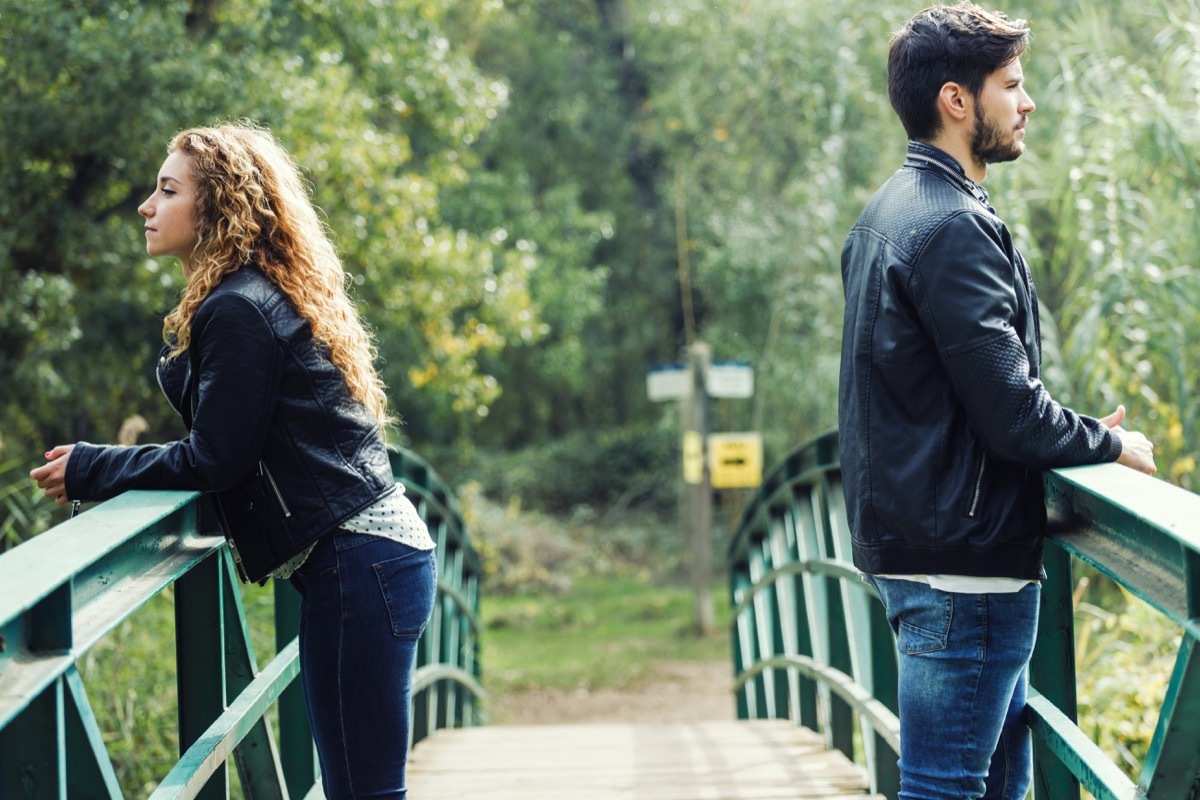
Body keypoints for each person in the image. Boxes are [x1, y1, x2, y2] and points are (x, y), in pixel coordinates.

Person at [30, 122, 437, 799]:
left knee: (364, 792)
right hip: (370, 562)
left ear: (216, 206)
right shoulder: (248, 296)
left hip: (360, 566)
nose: (145, 206)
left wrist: (94, 468)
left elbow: (216, 459)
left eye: (166, 190)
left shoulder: (238, 308)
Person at [837, 4, 1157, 799]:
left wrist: (1076, 432)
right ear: (956, 100)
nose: (1028, 102)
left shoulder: (888, 211)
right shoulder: (948, 227)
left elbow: (956, 391)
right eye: (1011, 85)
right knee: (946, 789)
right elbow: (1012, 412)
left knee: (988, 787)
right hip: (965, 575)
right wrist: (1110, 445)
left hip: (927, 551)